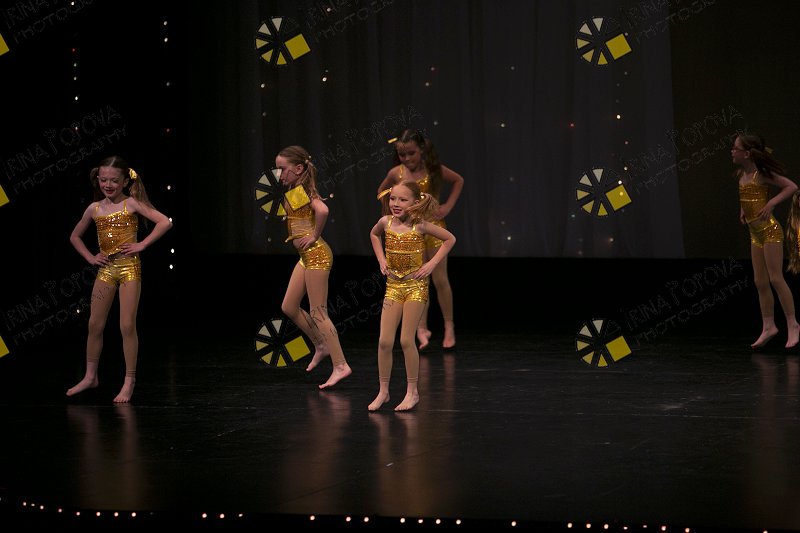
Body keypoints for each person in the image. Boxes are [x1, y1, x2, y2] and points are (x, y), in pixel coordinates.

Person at [67, 156, 172, 403]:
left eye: (114, 180)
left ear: (125, 181)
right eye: (103, 180)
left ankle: (129, 380)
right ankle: (90, 376)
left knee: (126, 325)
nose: (108, 185)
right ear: (97, 180)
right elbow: (74, 236)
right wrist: (90, 257)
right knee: (95, 324)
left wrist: (142, 244)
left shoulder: (132, 203)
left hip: (129, 270)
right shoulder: (94, 208)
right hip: (106, 271)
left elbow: (164, 222)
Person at [368, 180, 455, 411]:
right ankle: (383, 391)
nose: (396, 203)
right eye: (393, 198)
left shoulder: (421, 226)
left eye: (403, 200)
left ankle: (412, 392)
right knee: (384, 341)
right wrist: (381, 259)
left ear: (415, 203)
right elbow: (374, 235)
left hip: (415, 287)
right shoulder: (385, 222)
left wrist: (432, 264)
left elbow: (449, 239)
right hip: (393, 287)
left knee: (406, 340)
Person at [377, 129, 464, 350]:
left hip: (432, 230)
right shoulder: (396, 173)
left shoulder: (433, 169)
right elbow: (382, 192)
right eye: (402, 154)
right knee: (417, 280)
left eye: (411, 153)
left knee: (439, 279)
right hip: (410, 234)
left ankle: (449, 326)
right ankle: (421, 328)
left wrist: (447, 207)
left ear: (421, 150)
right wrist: (391, 219)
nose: (407, 159)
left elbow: (458, 180)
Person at [274, 145, 352, 388]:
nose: (279, 175)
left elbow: (323, 210)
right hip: (305, 257)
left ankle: (341, 365)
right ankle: (320, 344)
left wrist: (315, 235)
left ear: (298, 169)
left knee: (318, 312)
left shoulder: (305, 190)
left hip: (317, 255)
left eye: (283, 169)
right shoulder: (295, 190)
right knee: (289, 306)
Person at [733, 133, 800, 349]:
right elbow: (747, 196)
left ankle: (793, 324)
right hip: (755, 234)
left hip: (770, 231)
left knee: (775, 278)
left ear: (747, 154)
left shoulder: (761, 174)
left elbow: (791, 186)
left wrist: (771, 203)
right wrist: (743, 209)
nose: (732, 152)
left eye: (735, 148)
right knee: (760, 281)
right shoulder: (742, 174)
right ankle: (769, 326)